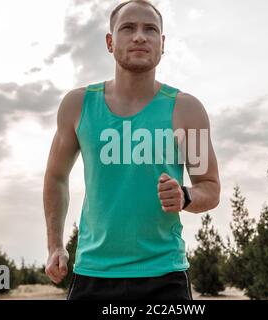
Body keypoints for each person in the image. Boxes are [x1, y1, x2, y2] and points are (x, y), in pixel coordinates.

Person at [43, 0, 220, 300]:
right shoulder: (77, 105)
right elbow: (56, 177)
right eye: (128, 28)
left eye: (150, 29)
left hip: (165, 276)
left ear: (162, 44)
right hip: (93, 275)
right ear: (110, 42)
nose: (140, 36)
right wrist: (55, 246)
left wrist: (185, 196)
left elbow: (210, 188)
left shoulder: (187, 110)